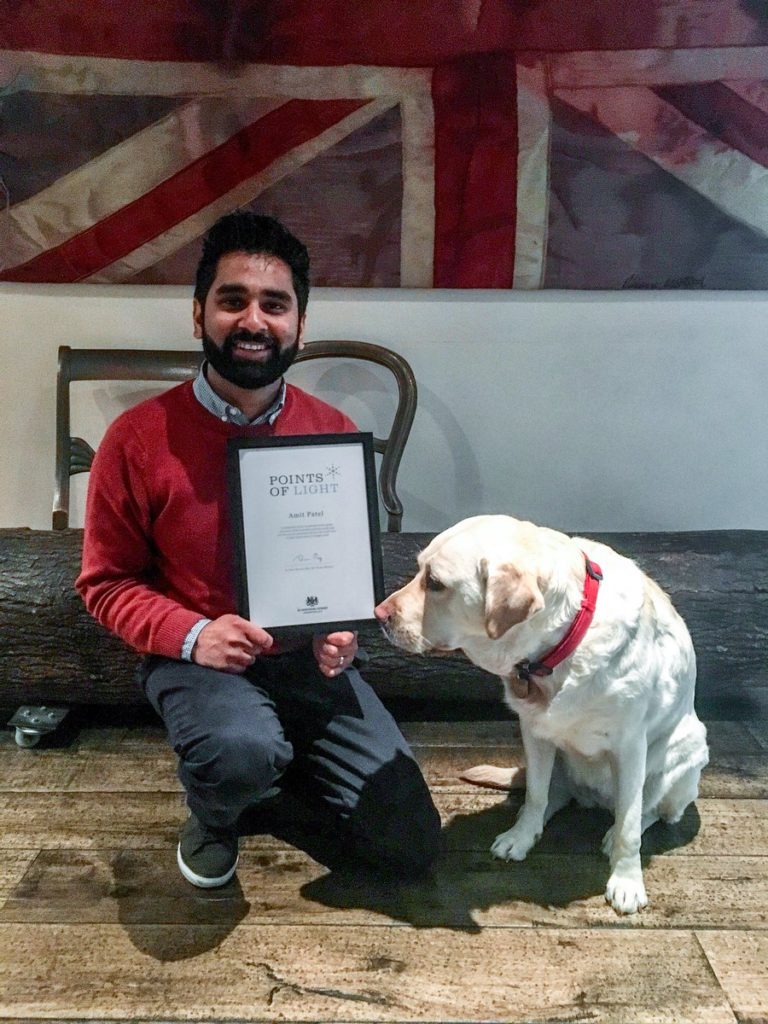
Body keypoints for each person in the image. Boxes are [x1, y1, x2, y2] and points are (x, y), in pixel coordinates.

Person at [77, 211, 442, 888]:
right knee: (238, 753)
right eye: (232, 300)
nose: (253, 321)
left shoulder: (331, 432)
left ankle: (266, 780)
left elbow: (339, 566)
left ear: (299, 324)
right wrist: (194, 636)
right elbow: (104, 583)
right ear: (198, 315)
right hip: (199, 662)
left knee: (410, 845)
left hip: (306, 663)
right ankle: (218, 809)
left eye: (274, 305)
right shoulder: (135, 439)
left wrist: (339, 626)